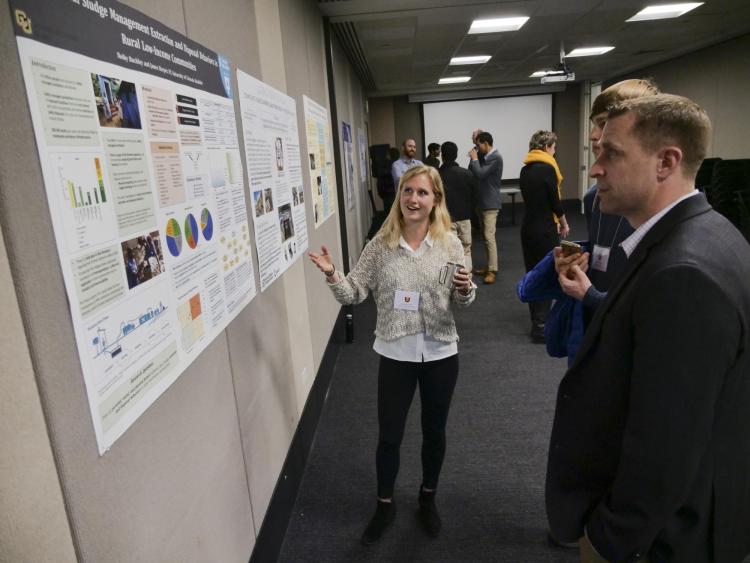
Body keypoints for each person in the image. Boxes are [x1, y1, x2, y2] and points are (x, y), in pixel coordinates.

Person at [546, 94, 750, 563]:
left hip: (667, 538)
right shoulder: (707, 231)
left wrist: (608, 538)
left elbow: (666, 445)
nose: (595, 169)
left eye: (610, 153)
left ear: (666, 162)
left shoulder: (683, 273)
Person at [309, 165, 475, 545]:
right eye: (407, 192)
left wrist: (465, 289)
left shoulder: (450, 244)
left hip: (439, 352)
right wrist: (333, 273)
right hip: (396, 353)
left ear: (435, 201)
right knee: (390, 436)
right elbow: (354, 293)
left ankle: (427, 498)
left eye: (422, 193)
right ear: (399, 196)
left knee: (435, 433)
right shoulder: (380, 246)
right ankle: (384, 504)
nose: (413, 200)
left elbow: (464, 302)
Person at [554, 79, 660, 322]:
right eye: (594, 125)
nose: (593, 136)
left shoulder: (660, 213)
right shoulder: (595, 198)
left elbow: (653, 308)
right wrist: (577, 265)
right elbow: (603, 259)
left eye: (603, 123)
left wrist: (591, 296)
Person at [518, 130, 569, 343]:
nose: (554, 152)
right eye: (554, 147)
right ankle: (540, 327)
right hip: (545, 229)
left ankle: (536, 321)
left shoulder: (525, 170)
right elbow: (554, 202)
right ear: (547, 147)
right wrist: (564, 223)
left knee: (533, 272)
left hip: (527, 228)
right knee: (547, 272)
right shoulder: (548, 169)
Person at [469, 131, 503, 284]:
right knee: (485, 236)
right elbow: (473, 172)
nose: (477, 148)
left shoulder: (496, 157)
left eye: (478, 145)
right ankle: (489, 266)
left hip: (490, 203)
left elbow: (481, 174)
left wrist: (475, 158)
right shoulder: (486, 156)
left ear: (486, 143)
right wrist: (475, 157)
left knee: (489, 237)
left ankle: (492, 270)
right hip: (482, 202)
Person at [439, 141, 475, 272]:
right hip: (465, 218)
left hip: (446, 219)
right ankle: (467, 281)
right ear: (456, 155)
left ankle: (452, 283)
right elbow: (473, 198)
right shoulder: (467, 174)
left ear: (442, 155)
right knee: (466, 250)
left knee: (450, 252)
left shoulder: (437, 175)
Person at [377, 147, 400, 212]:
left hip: (388, 194)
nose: (386, 156)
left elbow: (380, 182)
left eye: (387, 154)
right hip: (399, 194)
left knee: (389, 214)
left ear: (390, 155)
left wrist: (382, 194)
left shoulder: (385, 166)